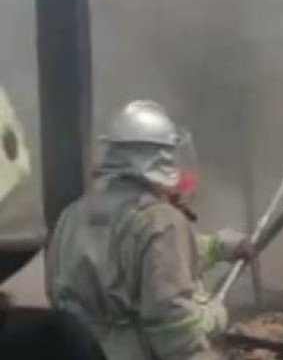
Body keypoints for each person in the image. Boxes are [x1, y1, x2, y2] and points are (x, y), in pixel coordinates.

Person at [46, 101, 252, 360]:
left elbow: (127, 260)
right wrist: (212, 317)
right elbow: (172, 323)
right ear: (163, 159)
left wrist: (216, 247)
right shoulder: (162, 221)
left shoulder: (74, 214)